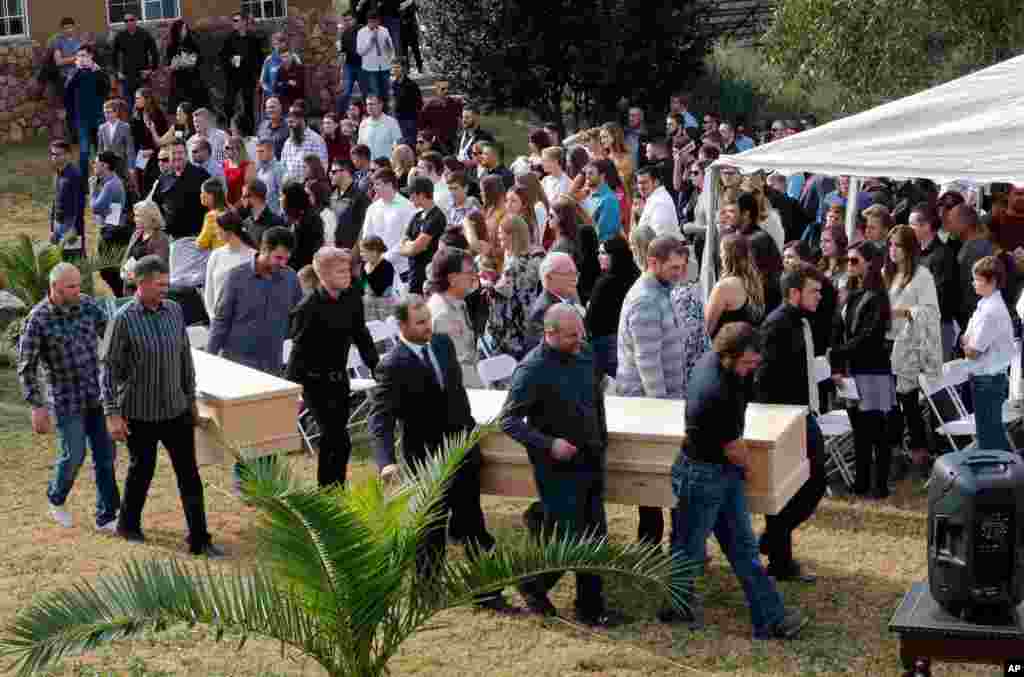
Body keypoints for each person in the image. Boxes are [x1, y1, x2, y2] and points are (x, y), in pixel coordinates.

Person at [661, 321, 807, 639]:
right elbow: (736, 450)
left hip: (713, 470)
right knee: (690, 547)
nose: (753, 369)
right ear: (729, 356)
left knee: (740, 549)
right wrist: (755, 474)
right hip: (703, 475)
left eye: (756, 362)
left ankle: (770, 618)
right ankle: (675, 606)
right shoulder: (717, 391)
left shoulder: (717, 362)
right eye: (748, 363)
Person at [369, 295, 514, 611]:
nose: (427, 328)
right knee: (430, 533)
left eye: (428, 321)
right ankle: (427, 594)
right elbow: (381, 418)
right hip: (427, 459)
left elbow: (457, 394)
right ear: (402, 326)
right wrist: (386, 463)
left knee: (473, 524)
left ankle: (488, 592)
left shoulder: (443, 345)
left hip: (462, 450)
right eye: (419, 323)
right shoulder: (392, 365)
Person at [500, 304, 625, 627]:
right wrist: (549, 444)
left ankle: (590, 607)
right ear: (549, 333)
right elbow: (509, 421)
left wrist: (602, 439)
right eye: (572, 335)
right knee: (570, 537)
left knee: (595, 533)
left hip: (590, 458)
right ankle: (533, 585)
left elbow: (595, 400)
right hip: (557, 467)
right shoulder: (532, 369)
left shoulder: (583, 354)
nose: (579, 340)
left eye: (580, 332)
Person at [102, 255, 222, 557]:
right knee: (142, 469)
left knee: (189, 474)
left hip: (176, 409)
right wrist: (113, 413)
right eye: (159, 285)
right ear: (140, 283)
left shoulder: (174, 311)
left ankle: (199, 539)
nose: (165, 289)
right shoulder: (124, 319)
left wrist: (191, 398)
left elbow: (184, 356)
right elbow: (108, 369)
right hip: (140, 413)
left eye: (166, 283)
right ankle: (128, 525)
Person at [18, 263, 120, 531]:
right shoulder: (37, 319)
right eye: (71, 287)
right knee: (74, 455)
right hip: (66, 400)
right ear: (55, 288)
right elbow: (26, 366)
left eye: (79, 285)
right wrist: (37, 406)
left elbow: (110, 332)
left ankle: (107, 515)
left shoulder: (86, 305)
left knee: (106, 455)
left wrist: (111, 361)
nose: (78, 291)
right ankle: (56, 497)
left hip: (96, 395)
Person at [754, 264, 827, 582]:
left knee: (812, 484)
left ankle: (774, 543)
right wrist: (780, 422)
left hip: (802, 413)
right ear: (794, 293)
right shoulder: (776, 325)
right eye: (813, 290)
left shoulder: (801, 321)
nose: (820, 295)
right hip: (785, 418)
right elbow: (763, 378)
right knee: (799, 486)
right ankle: (779, 556)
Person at [616, 237, 690, 546]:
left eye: (682, 267)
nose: (679, 273)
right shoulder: (646, 299)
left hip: (664, 403)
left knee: (667, 480)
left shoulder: (662, 291)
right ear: (653, 262)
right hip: (650, 407)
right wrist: (664, 413)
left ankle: (671, 542)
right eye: (673, 267)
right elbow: (648, 363)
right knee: (652, 484)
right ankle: (651, 545)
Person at [831, 241, 895, 498]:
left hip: (872, 371)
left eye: (854, 261)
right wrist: (838, 360)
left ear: (869, 263)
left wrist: (837, 353)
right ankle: (861, 481)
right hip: (853, 370)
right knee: (859, 429)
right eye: (848, 261)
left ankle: (878, 485)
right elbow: (839, 328)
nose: (849, 265)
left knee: (876, 430)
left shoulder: (876, 296)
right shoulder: (852, 293)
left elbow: (868, 337)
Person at [885, 225, 942, 471]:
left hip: (908, 344)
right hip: (886, 342)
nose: (893, 250)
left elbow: (931, 311)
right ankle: (895, 452)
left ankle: (920, 454)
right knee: (890, 402)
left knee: (908, 401)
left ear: (909, 249)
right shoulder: (886, 273)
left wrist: (904, 312)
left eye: (898, 245)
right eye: (890, 245)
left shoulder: (922, 276)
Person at [208, 224, 300, 376]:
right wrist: (210, 359)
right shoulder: (236, 277)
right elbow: (221, 321)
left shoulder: (290, 278)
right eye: (278, 257)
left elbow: (298, 316)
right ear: (264, 250)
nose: (283, 263)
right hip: (237, 365)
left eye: (286, 259)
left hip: (272, 366)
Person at [962, 255, 1017, 451]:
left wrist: (967, 345)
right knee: (988, 432)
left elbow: (973, 351)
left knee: (989, 434)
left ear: (992, 281)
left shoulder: (991, 310)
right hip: (987, 377)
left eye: (977, 279)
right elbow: (966, 339)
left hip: (988, 379)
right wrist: (967, 343)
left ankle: (1004, 476)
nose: (973, 283)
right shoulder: (985, 305)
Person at [479, 216, 543, 359]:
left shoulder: (515, 264)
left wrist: (487, 284)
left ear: (512, 236)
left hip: (514, 328)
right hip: (531, 321)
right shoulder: (537, 256)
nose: (499, 238)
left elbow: (502, 292)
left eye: (502, 236)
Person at [428, 248, 484, 388]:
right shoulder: (444, 316)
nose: (474, 277)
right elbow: (459, 369)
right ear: (452, 279)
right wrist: (487, 391)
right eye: (469, 273)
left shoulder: (455, 302)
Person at [586, 237, 640, 378]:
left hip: (606, 341)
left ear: (614, 255)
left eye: (603, 253)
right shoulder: (636, 275)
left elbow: (591, 318)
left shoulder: (605, 283)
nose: (599, 257)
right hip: (628, 339)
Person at [910, 203, 958, 361]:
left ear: (927, 226)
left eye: (912, 225)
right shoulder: (917, 254)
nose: (909, 229)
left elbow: (939, 295)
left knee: (934, 381)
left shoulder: (943, 255)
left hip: (937, 327)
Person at [946, 204, 994, 341]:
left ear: (963, 223)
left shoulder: (972, 250)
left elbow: (970, 293)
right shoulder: (982, 244)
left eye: (951, 222)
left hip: (976, 322)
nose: (948, 227)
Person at [362, 168, 418, 281]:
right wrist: (373, 258)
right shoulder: (372, 208)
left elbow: (408, 238)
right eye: (373, 184)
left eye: (377, 184)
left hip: (401, 269)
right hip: (376, 268)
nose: (374, 188)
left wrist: (384, 258)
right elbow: (367, 236)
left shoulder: (407, 206)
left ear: (389, 184)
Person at [63, 45, 111, 178]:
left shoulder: (98, 72)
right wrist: (78, 71)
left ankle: (104, 177)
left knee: (101, 151)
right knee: (84, 152)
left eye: (84, 56)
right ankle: (84, 182)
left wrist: (98, 72)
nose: (81, 59)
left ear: (91, 57)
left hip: (98, 117)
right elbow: (67, 92)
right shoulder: (74, 73)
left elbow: (106, 89)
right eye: (79, 56)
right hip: (82, 119)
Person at [705, 234, 765, 339]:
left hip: (727, 351)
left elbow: (707, 329)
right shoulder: (755, 282)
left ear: (726, 256)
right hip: (750, 349)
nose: (720, 255)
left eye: (721, 252)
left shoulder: (724, 287)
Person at [203, 211, 256, 317]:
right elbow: (209, 292)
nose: (216, 232)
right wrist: (213, 318)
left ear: (229, 231)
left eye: (218, 228)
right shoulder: (216, 255)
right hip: (219, 320)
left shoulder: (253, 256)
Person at [399, 176, 447, 294]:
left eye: (412, 194)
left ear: (421, 195)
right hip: (413, 275)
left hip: (428, 279)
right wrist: (412, 245)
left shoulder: (437, 217)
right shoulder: (416, 216)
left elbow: (416, 248)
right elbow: (402, 246)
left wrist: (411, 245)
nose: (409, 198)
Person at [219, 12, 263, 124]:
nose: (233, 23)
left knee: (248, 104)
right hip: (233, 76)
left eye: (236, 20)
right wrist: (231, 60)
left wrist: (258, 77)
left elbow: (259, 58)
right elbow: (222, 56)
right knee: (228, 103)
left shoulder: (253, 39)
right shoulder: (229, 38)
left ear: (244, 22)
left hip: (248, 76)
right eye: (233, 20)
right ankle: (231, 126)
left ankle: (250, 129)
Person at [121, 200, 171, 296]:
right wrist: (124, 271)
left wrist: (137, 277)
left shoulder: (161, 238)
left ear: (149, 217)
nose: (134, 219)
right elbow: (126, 257)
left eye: (138, 216)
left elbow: (158, 265)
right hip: (130, 287)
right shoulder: (136, 234)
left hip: (149, 291)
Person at [112, 12, 158, 106]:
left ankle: (145, 120)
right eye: (126, 21)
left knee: (145, 102)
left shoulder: (144, 34)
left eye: (131, 20)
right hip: (127, 75)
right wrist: (117, 72)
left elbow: (154, 52)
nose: (129, 22)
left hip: (142, 75)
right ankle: (132, 120)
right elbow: (114, 55)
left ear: (136, 20)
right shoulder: (120, 36)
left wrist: (151, 70)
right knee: (129, 103)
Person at [48, 141, 86, 257]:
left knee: (74, 261)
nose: (54, 157)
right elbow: (55, 201)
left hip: (70, 225)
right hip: (58, 223)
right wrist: (52, 227)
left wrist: (73, 228)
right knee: (59, 259)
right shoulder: (57, 174)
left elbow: (79, 204)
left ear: (68, 155)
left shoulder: (74, 175)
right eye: (53, 154)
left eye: (58, 154)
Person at [280, 180, 325, 271]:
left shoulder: (309, 221)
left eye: (282, 196)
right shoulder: (293, 218)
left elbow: (302, 254)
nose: (280, 199)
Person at [166, 19, 208, 114]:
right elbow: (169, 65)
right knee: (180, 112)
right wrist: (174, 64)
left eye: (185, 28)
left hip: (193, 81)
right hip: (178, 82)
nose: (185, 30)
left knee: (195, 109)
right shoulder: (171, 46)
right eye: (183, 28)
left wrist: (192, 61)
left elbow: (200, 59)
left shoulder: (192, 43)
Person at [281, 103, 329, 184]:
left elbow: (323, 167)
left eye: (293, 122)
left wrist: (311, 185)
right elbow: (283, 167)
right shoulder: (288, 143)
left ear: (301, 120)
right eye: (289, 123)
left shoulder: (316, 140)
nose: (290, 127)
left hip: (309, 188)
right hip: (290, 188)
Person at [328, 158, 370, 248]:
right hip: (333, 248)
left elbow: (363, 230)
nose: (330, 174)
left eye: (334, 172)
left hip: (349, 251)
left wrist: (355, 252)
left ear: (346, 172)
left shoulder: (360, 198)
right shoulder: (332, 195)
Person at [356, 11, 395, 99]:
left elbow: (390, 47)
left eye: (375, 22)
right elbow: (360, 52)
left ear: (378, 21)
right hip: (370, 68)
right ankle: (377, 111)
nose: (373, 24)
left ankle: (386, 112)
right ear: (368, 21)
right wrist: (370, 42)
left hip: (385, 66)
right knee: (375, 93)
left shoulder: (385, 30)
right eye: (371, 22)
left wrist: (391, 57)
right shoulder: (361, 32)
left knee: (386, 92)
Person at [238, 177, 286, 246]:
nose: (241, 199)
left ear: (255, 197)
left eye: (244, 196)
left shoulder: (277, 223)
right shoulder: (246, 224)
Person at [357, 94, 403, 164]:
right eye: (368, 105)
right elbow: (360, 147)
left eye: (372, 104)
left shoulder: (392, 122)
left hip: (387, 166)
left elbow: (398, 146)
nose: (369, 107)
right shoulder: (363, 124)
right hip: (369, 167)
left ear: (380, 105)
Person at [582, 160, 621, 242]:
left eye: (591, 173)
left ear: (602, 176)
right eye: (586, 173)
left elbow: (603, 233)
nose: (587, 176)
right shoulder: (588, 195)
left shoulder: (609, 199)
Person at [360, 235, 397, 321]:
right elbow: (362, 286)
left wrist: (367, 288)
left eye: (363, 251)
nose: (361, 254)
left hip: (383, 307)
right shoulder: (364, 265)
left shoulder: (387, 266)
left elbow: (381, 290)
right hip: (367, 306)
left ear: (374, 252)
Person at [335, 11, 365, 118]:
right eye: (345, 20)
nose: (347, 22)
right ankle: (340, 116)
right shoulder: (344, 33)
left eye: (349, 20)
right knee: (345, 92)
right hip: (349, 66)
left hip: (362, 65)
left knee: (366, 92)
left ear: (354, 20)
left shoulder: (362, 30)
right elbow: (342, 52)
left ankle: (367, 114)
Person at [419, 79, 463, 152]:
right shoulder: (429, 105)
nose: (446, 91)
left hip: (452, 141)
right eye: (443, 89)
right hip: (435, 142)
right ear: (437, 90)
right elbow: (422, 125)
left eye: (448, 89)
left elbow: (461, 120)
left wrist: (459, 135)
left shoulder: (455, 103)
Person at [636, 165, 679, 238]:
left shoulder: (660, 202)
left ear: (656, 182)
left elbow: (659, 236)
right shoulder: (654, 198)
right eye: (639, 183)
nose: (641, 187)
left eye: (644, 182)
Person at [390, 59, 422, 144]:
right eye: (393, 68)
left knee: (410, 146)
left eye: (397, 67)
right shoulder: (393, 85)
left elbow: (419, 103)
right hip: (397, 120)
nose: (395, 70)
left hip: (409, 121)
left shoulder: (412, 85)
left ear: (403, 68)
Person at [97, 99, 135, 171]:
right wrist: (99, 164)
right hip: (106, 166)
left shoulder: (125, 126)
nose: (106, 115)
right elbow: (100, 149)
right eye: (105, 112)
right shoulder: (102, 127)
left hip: (121, 164)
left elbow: (130, 149)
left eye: (109, 112)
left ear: (116, 112)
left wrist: (131, 167)